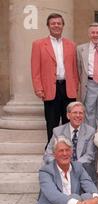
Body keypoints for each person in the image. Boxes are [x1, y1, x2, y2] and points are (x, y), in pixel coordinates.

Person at [31, 13, 78, 144]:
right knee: (52, 121)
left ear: (63, 26)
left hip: (68, 87)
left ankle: (68, 149)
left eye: (59, 23)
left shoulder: (71, 45)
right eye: (53, 23)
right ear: (48, 26)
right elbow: (35, 69)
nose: (56, 26)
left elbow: (74, 68)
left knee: (69, 121)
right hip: (50, 88)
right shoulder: (38, 44)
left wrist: (76, 86)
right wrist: (38, 88)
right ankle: (51, 152)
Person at [43, 101, 96, 182]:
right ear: (68, 115)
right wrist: (61, 164)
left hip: (81, 168)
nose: (78, 115)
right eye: (75, 112)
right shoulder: (58, 131)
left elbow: (89, 155)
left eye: (81, 113)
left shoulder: (90, 131)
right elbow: (48, 154)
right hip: (61, 168)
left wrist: (73, 166)